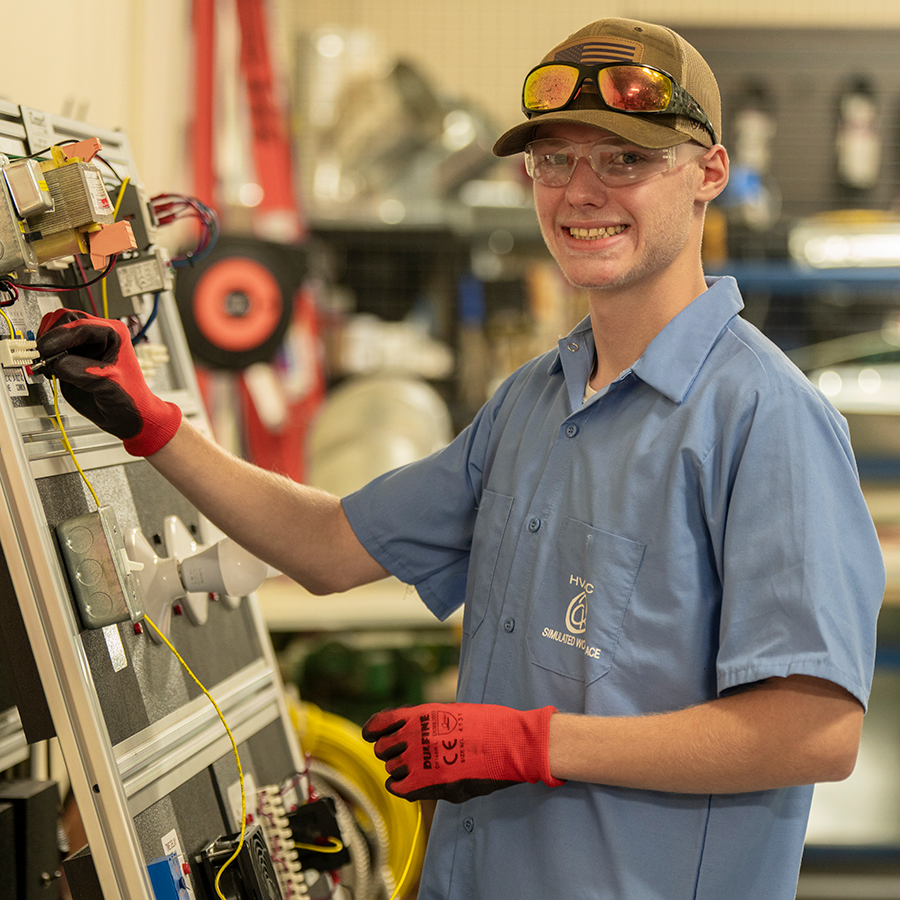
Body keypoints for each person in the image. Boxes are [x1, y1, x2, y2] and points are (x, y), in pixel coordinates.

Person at [37, 17, 884, 900]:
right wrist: (155, 425)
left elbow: (812, 731)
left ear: (707, 172)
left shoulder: (765, 420)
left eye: (624, 160)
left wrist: (529, 743)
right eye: (554, 160)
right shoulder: (533, 401)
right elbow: (331, 544)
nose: (581, 192)